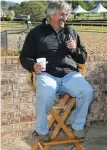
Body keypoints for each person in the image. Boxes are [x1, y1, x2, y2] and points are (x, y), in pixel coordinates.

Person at [20, 1, 93, 141]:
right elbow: (24, 57)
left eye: (66, 15)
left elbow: (82, 59)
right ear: (51, 14)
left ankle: (78, 126)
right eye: (62, 14)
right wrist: (32, 65)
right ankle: (41, 130)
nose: (64, 18)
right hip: (47, 74)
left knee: (87, 91)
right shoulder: (36, 33)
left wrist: (75, 49)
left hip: (69, 74)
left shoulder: (71, 32)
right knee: (45, 95)